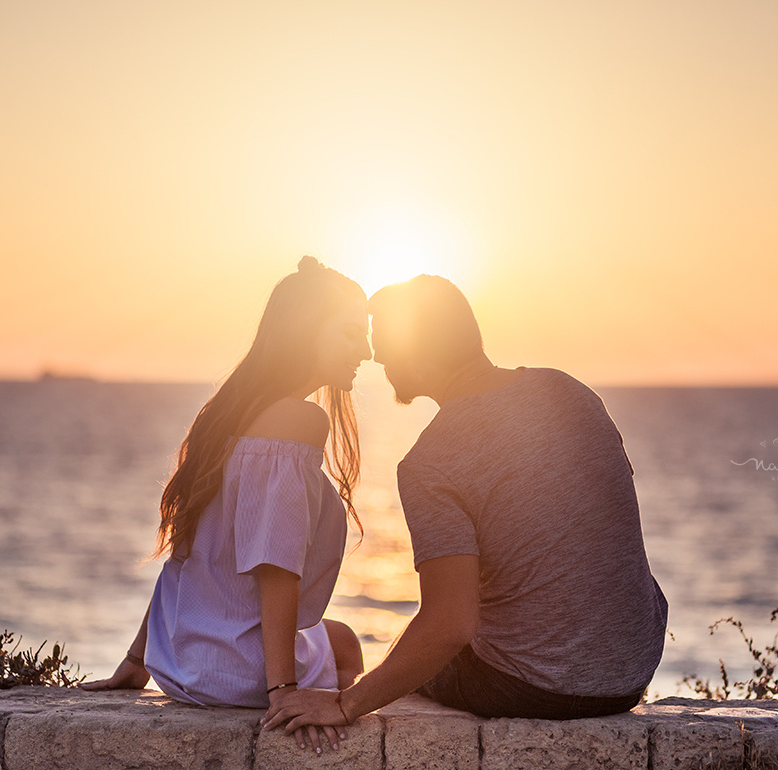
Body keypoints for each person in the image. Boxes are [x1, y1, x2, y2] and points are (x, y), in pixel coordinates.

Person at [262, 274, 667, 733]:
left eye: (386, 344)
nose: (376, 357)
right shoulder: (572, 392)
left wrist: (345, 704)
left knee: (408, 662)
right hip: (632, 671)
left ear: (418, 352)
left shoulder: (431, 461)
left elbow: (451, 622)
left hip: (537, 686)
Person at [84, 256, 370, 754]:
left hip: (179, 661)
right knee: (345, 643)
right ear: (308, 333)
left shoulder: (223, 418)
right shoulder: (297, 422)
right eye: (350, 334)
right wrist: (282, 692)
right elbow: (276, 565)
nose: (365, 351)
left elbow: (185, 555)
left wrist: (136, 663)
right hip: (240, 672)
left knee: (330, 635)